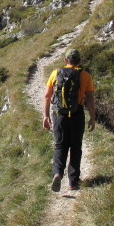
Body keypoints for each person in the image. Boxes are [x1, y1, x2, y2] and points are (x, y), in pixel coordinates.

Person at [43, 49, 95, 192]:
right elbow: (90, 99)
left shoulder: (55, 73)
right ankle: (73, 181)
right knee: (76, 147)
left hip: (59, 114)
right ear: (79, 61)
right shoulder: (85, 76)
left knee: (60, 146)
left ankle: (58, 173)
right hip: (77, 114)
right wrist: (92, 118)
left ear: (66, 60)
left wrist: (46, 116)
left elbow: (47, 96)